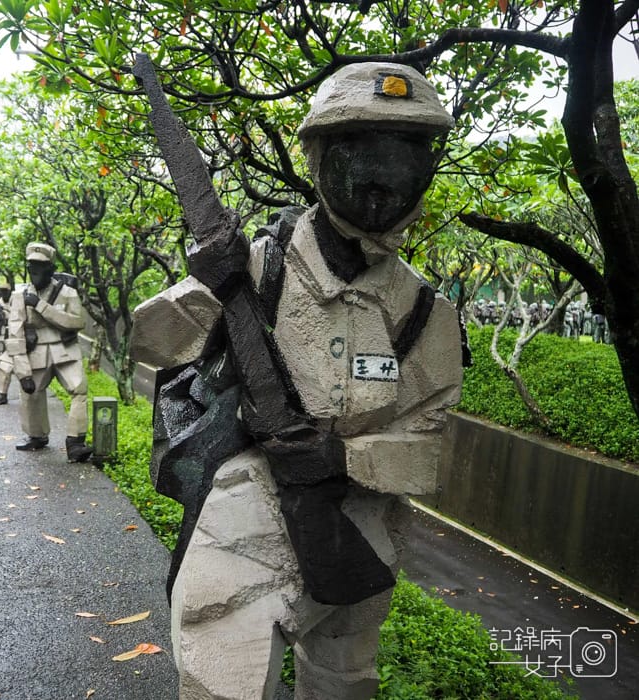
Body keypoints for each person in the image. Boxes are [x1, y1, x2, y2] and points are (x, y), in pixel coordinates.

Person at [131, 62, 464, 699]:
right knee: (218, 667)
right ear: (317, 160)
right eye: (356, 157)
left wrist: (341, 456)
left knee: (343, 679)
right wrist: (208, 282)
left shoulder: (427, 314)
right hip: (248, 505)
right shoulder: (256, 263)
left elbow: (427, 455)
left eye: (398, 160)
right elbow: (149, 342)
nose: (375, 184)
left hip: (361, 525)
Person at [5, 242, 93, 462]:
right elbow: (15, 334)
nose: (35, 270)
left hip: (65, 350)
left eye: (41, 266)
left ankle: (75, 443)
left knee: (79, 390)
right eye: (31, 265)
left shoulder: (67, 292)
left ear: (51, 269)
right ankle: (36, 436)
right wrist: (23, 372)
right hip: (36, 352)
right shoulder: (20, 296)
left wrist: (41, 307)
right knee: (30, 392)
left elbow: (77, 322)